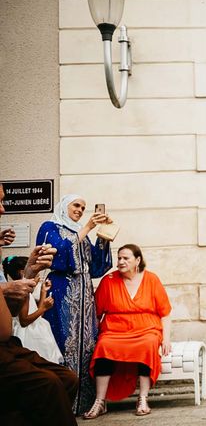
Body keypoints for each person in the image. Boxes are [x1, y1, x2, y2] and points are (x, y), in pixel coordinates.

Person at [0, 182, 79, 426]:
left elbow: (13, 312)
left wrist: (28, 273)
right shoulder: (52, 226)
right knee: (48, 385)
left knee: (67, 378)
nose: (3, 210)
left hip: (8, 345)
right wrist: (5, 288)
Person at [36, 194, 113, 414]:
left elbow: (97, 267)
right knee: (63, 343)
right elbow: (57, 254)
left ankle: (87, 402)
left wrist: (103, 235)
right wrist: (88, 226)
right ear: (64, 206)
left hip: (85, 294)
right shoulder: (50, 226)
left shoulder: (81, 232)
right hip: (61, 291)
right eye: (76, 205)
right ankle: (63, 404)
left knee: (87, 345)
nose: (80, 210)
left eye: (83, 207)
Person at [84, 244, 172, 419]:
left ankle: (143, 399)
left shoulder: (151, 279)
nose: (121, 262)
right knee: (104, 345)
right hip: (115, 330)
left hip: (147, 330)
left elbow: (165, 313)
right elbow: (95, 313)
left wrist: (166, 339)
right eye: (119, 258)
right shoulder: (108, 280)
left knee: (147, 345)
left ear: (137, 260)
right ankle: (99, 402)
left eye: (126, 258)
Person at [2, 255, 63, 364]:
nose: (38, 277)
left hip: (36, 329)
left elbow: (37, 314)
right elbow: (24, 321)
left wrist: (44, 291)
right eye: (36, 273)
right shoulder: (22, 293)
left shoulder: (26, 292)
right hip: (29, 335)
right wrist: (44, 307)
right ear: (22, 273)